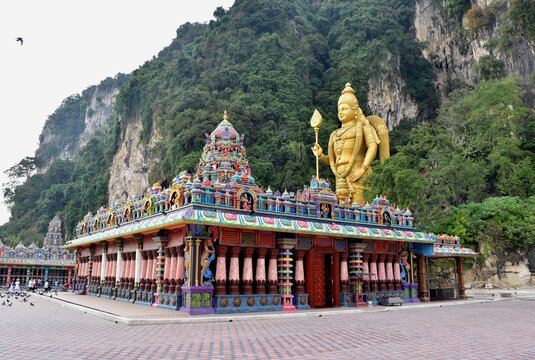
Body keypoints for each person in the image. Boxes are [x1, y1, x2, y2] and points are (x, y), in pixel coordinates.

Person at [312, 83, 390, 206]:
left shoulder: (363, 127)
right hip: (340, 177)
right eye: (339, 110)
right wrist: (321, 156)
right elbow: (333, 159)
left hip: (358, 172)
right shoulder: (335, 134)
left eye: (344, 109)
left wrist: (362, 168)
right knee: (342, 210)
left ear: (354, 110)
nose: (341, 112)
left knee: (360, 209)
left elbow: (372, 146)